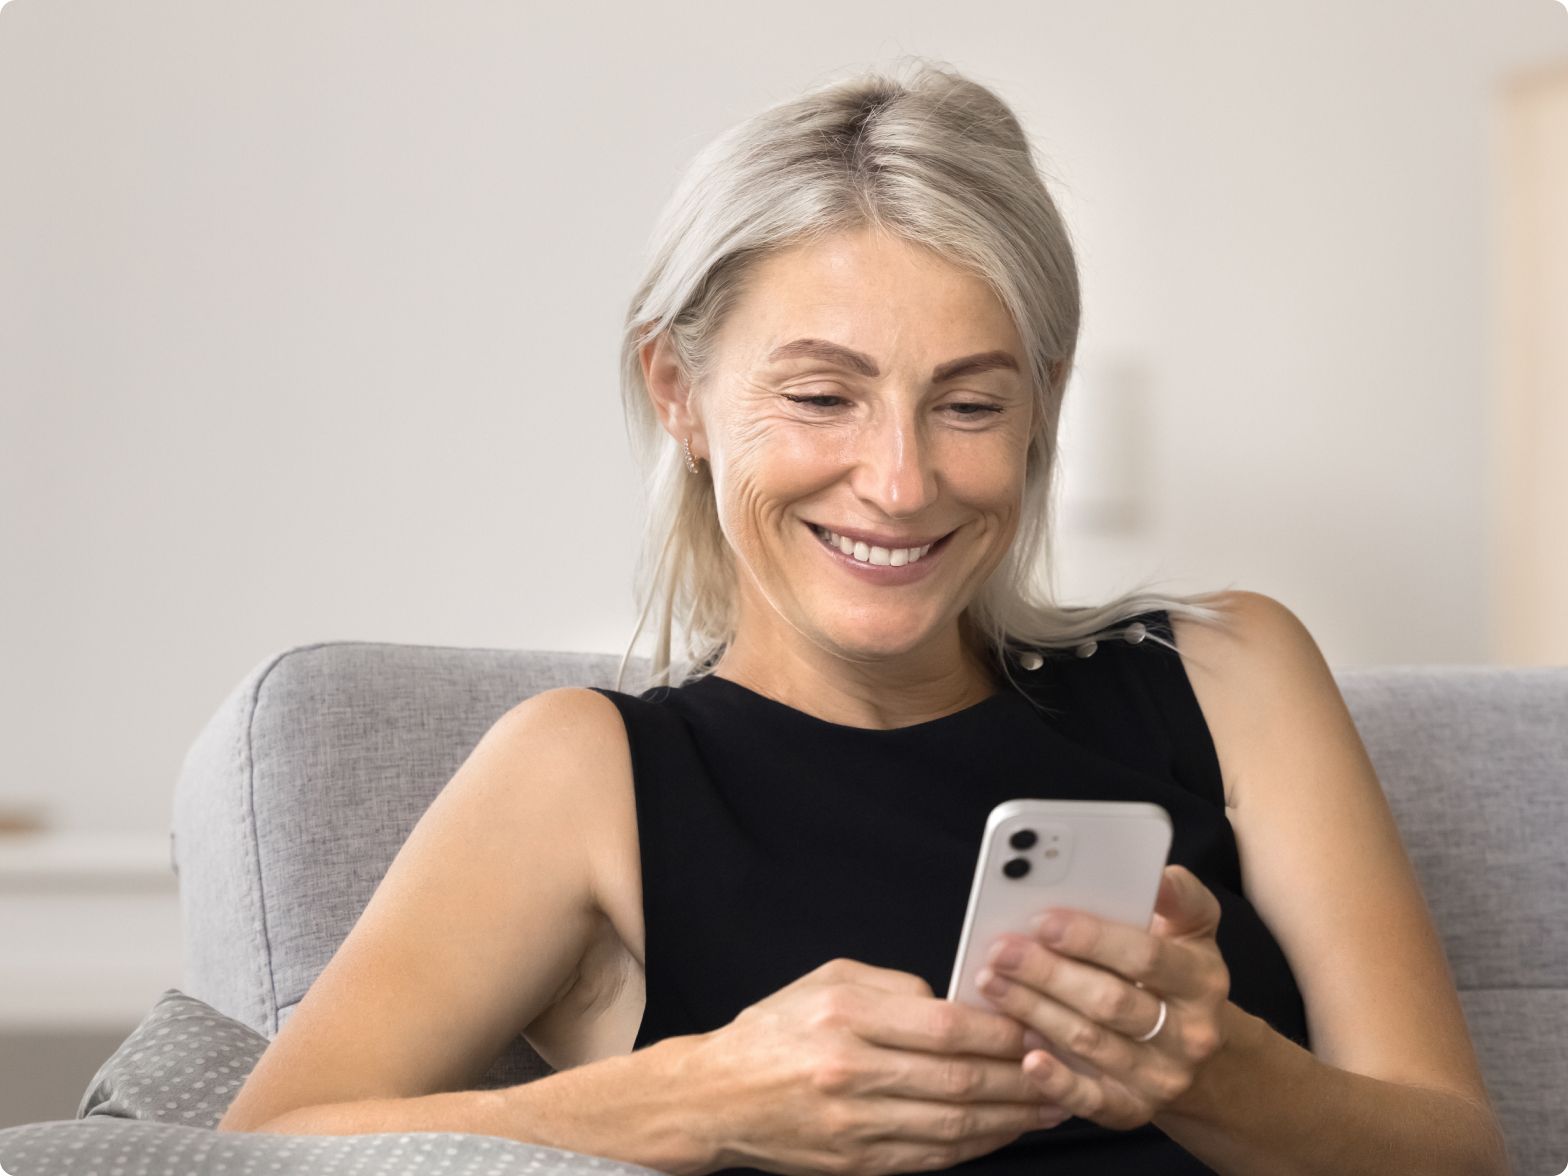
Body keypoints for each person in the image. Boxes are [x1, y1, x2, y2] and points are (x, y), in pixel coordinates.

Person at [218, 58, 1509, 1176]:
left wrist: (1213, 1074)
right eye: (824, 397)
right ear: (679, 391)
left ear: (1043, 405)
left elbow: (1459, 1152)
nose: (901, 483)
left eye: (969, 404)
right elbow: (249, 1154)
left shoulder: (1231, 674)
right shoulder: (584, 776)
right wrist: (699, 1098)